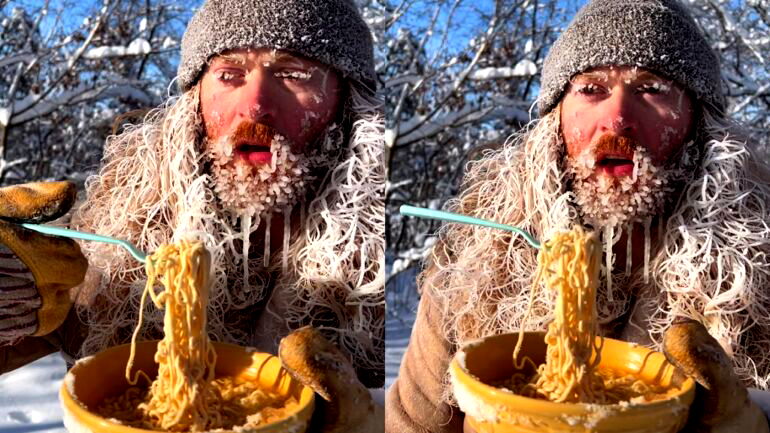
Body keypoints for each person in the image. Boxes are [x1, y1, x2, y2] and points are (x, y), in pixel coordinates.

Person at [386, 0, 770, 432]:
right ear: (556, 118)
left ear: (699, 123)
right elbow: (412, 423)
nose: (618, 119)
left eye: (652, 89)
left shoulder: (761, 270)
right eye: (591, 89)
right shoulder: (470, 263)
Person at [0, 0, 385, 430]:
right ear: (194, 102)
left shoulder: (386, 274)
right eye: (229, 75)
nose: (255, 106)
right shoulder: (111, 231)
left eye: (293, 75)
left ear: (348, 104)